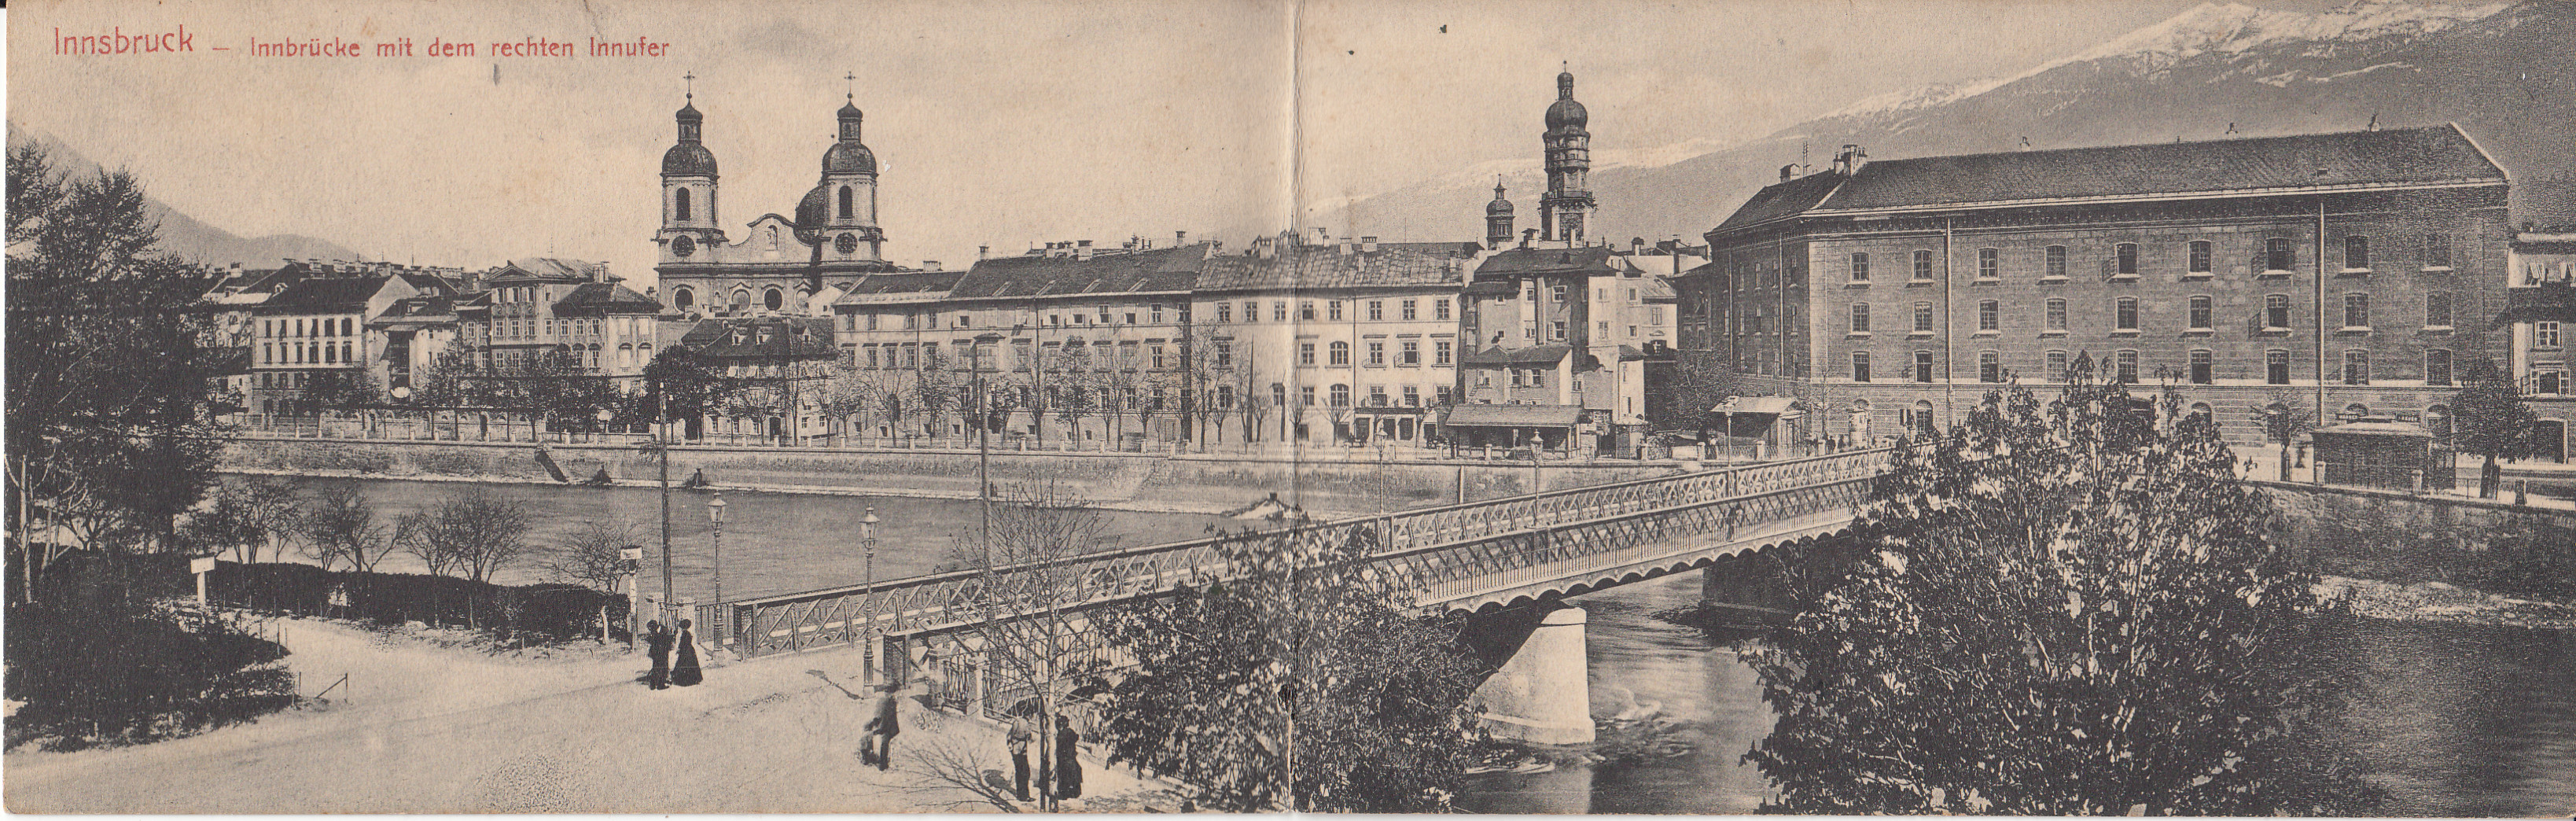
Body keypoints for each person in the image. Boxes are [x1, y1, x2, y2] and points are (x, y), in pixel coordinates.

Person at [861, 683, 902, 771]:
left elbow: (887, 717)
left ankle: (883, 764)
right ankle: (881, 763)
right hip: (888, 727)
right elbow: (883, 716)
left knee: (884, 744)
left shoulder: (890, 702)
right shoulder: (889, 702)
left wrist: (880, 727)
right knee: (883, 743)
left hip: (889, 727)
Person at [1006, 712, 1037, 801]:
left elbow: (1009, 735)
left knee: (1019, 771)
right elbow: (1030, 739)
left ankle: (1020, 794)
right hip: (1021, 751)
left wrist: (1010, 745)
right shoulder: (1026, 724)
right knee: (1025, 773)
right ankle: (1024, 796)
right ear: (1030, 715)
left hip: (1014, 750)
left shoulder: (1017, 721)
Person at [1052, 715, 1082, 801]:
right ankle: (1075, 792)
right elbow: (1076, 737)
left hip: (1064, 757)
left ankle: (1064, 794)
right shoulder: (1069, 732)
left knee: (1064, 775)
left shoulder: (1062, 734)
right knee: (1073, 773)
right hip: (1069, 757)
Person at [670, 619, 703, 687]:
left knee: (683, 664)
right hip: (690, 650)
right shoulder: (689, 633)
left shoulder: (684, 634)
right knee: (691, 664)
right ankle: (693, 680)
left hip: (685, 650)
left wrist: (679, 649)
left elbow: (682, 643)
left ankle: (684, 681)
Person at [644, 620, 674, 690]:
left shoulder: (665, 630)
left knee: (664, 668)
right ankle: (653, 684)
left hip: (664, 652)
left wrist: (666, 648)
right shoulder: (654, 631)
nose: (651, 631)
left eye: (651, 629)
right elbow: (653, 641)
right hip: (656, 653)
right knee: (656, 668)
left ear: (655, 626)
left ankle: (661, 685)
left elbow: (669, 641)